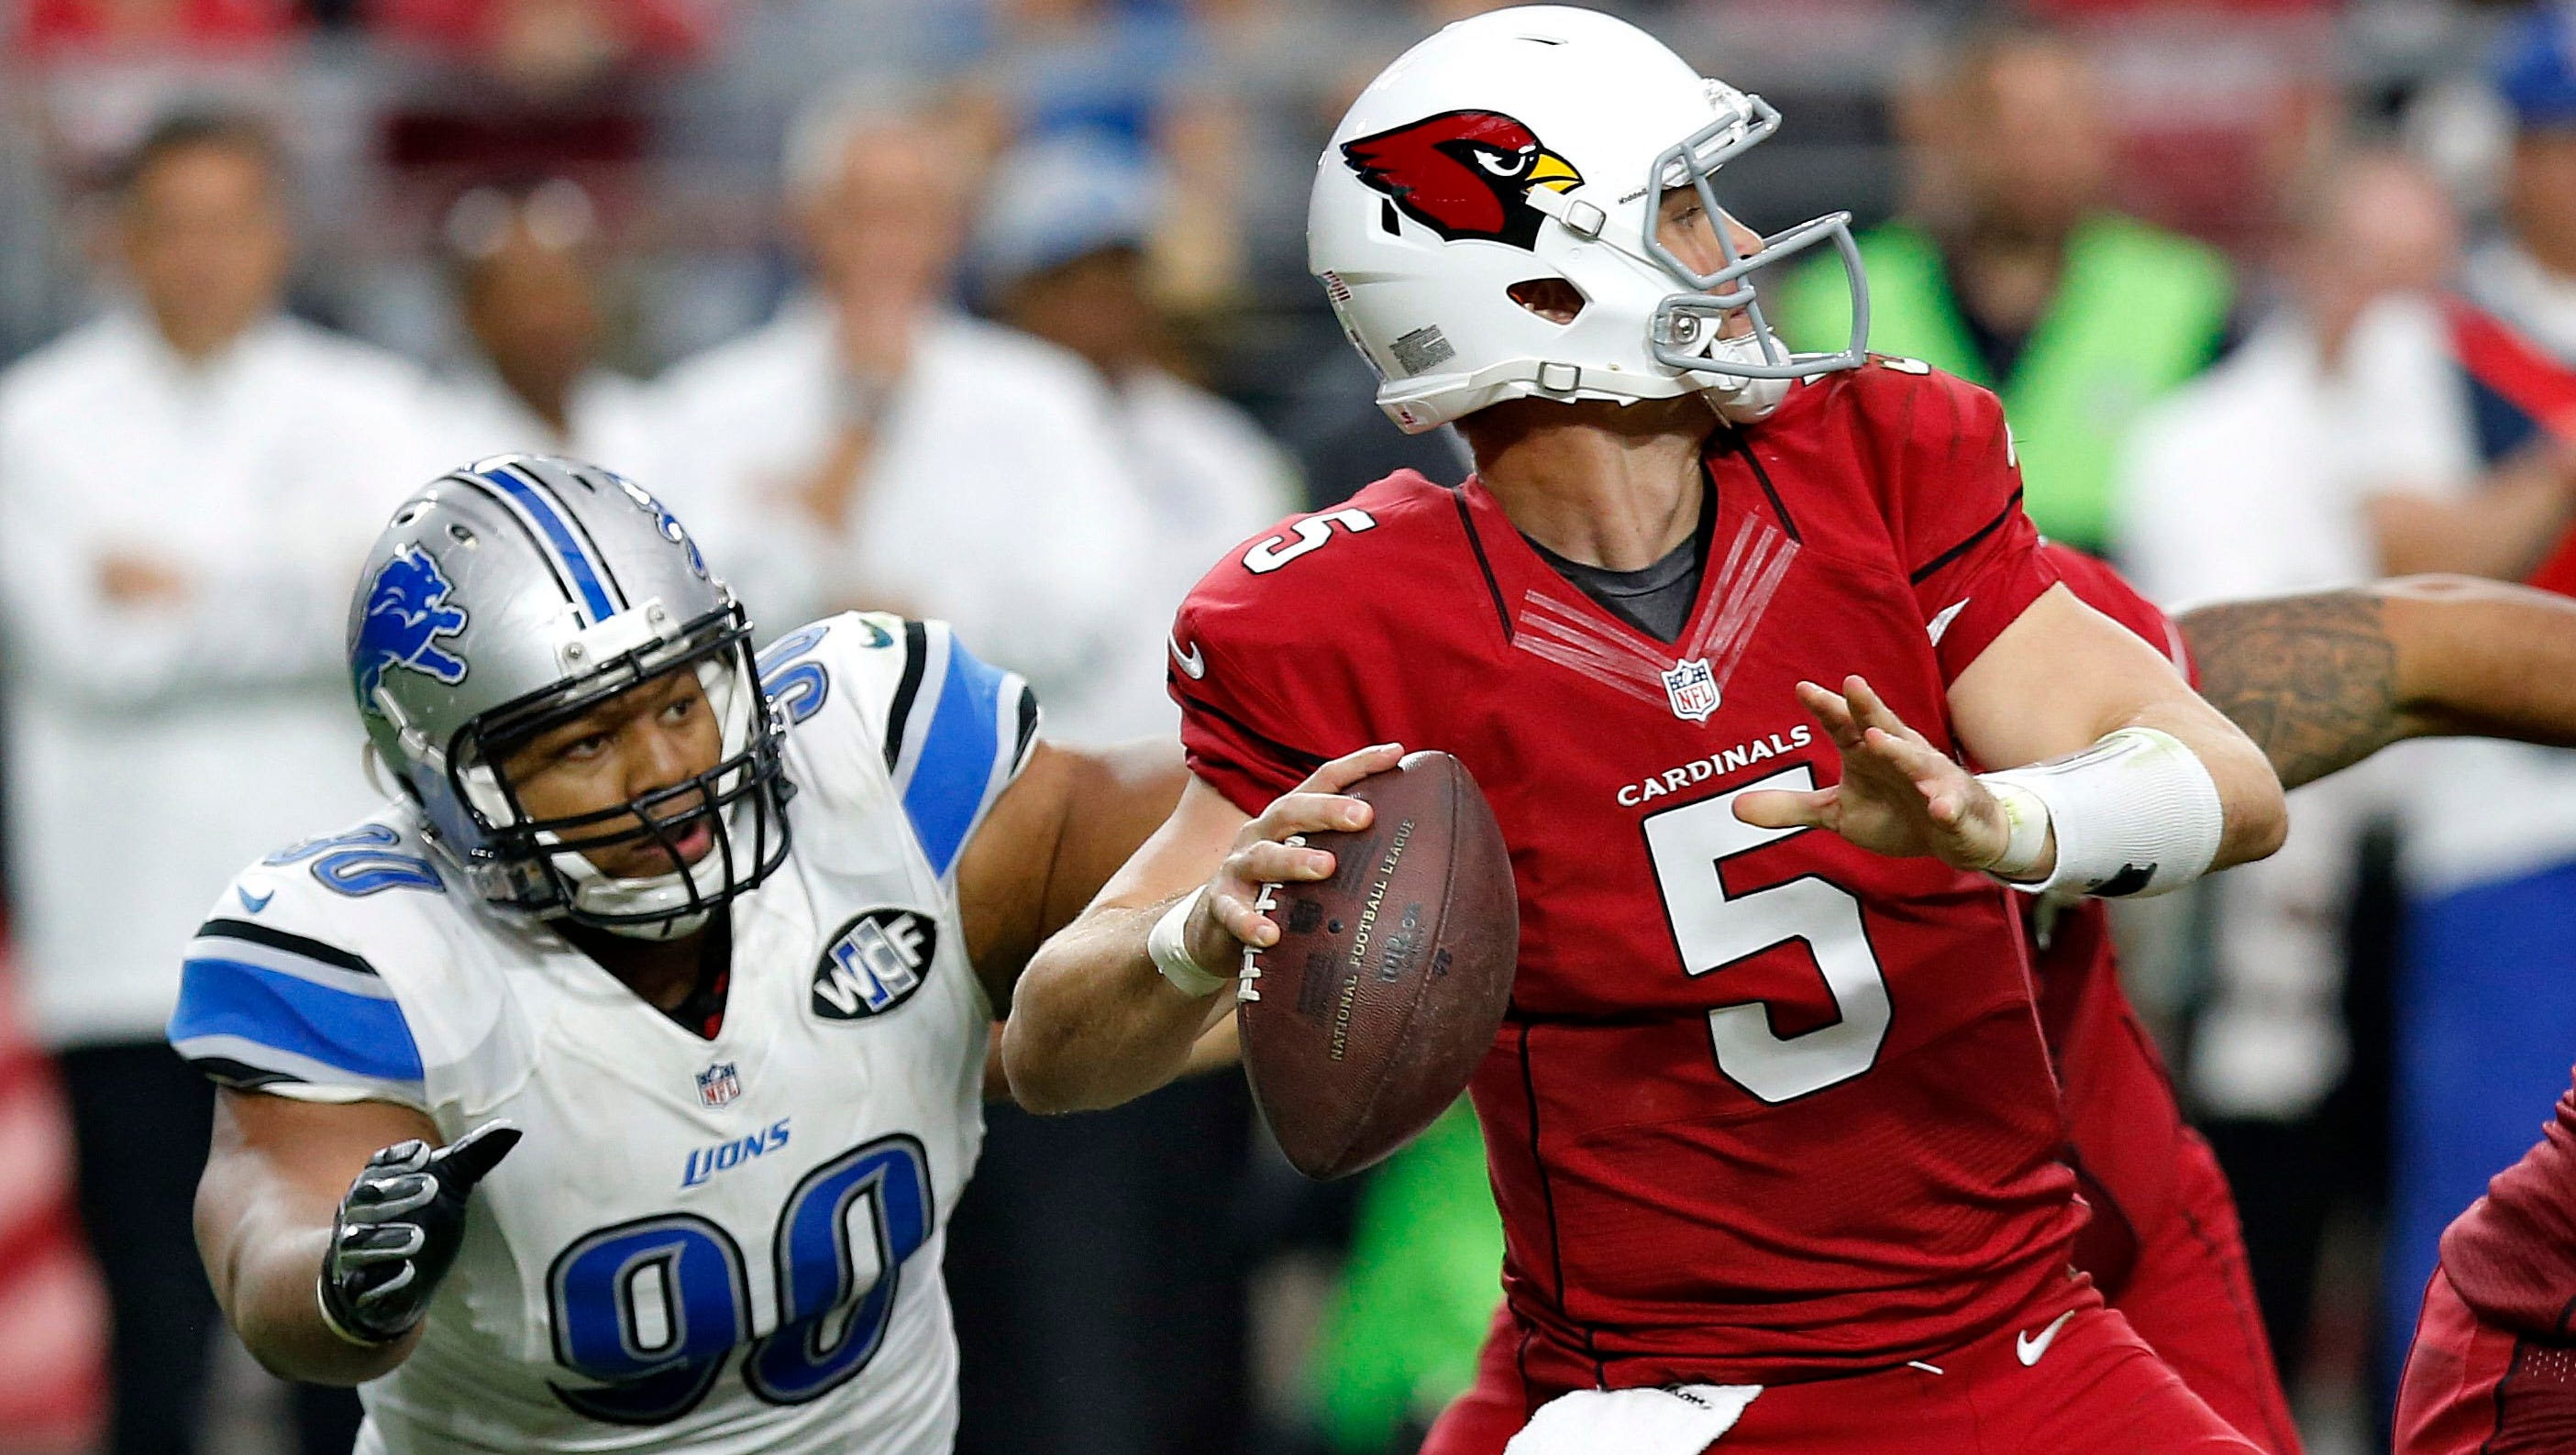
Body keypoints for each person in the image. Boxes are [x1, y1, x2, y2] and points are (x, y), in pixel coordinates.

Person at [1005, 9, 2287, 1452]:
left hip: (2013, 1340)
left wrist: (2004, 822)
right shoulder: (1345, 620)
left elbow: (2231, 785)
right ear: (1543, 296)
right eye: (1683, 205)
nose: (1736, 238)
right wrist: (1196, 937)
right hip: (1666, 1394)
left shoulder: (1875, 460)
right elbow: (1054, 1052)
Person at [172, 453, 1195, 1452]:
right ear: (442, 789)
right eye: (583, 743)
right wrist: (343, 1278)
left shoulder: (867, 768)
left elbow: (1195, 819)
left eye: (678, 702)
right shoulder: (376, 950)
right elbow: (267, 1232)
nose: (666, 768)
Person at [0, 109, 444, 1455]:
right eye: (170, 224)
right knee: (153, 1334)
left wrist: (177, 589)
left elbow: (401, 627)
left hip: (336, 955)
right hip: (121, 953)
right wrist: (297, 583)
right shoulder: (29, 424)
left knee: (352, 1334)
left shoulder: (378, 405)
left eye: (229, 221)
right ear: (118, 240)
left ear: (279, 233)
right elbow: (90, 653)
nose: (201, 255)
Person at [648, 82, 1163, 742]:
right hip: (780, 780)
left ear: (952, 229)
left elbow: (1089, 612)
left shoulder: (1041, 399)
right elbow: (690, 618)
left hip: (991, 777)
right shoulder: (708, 402)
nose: (880, 243)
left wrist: (911, 630)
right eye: (857, 211)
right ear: (804, 221)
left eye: (908, 214)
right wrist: (857, 433)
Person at [1772, 17, 2234, 556]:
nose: (2040, 153)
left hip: (2131, 594)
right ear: (1947, 134)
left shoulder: (2185, 295)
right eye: (2012, 125)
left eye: (2066, 125)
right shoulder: (1838, 298)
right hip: (1909, 597)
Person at [430, 178, 660, 469]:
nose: (547, 319)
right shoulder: (433, 441)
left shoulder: (644, 424)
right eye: (523, 297)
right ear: (475, 314)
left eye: (560, 291)